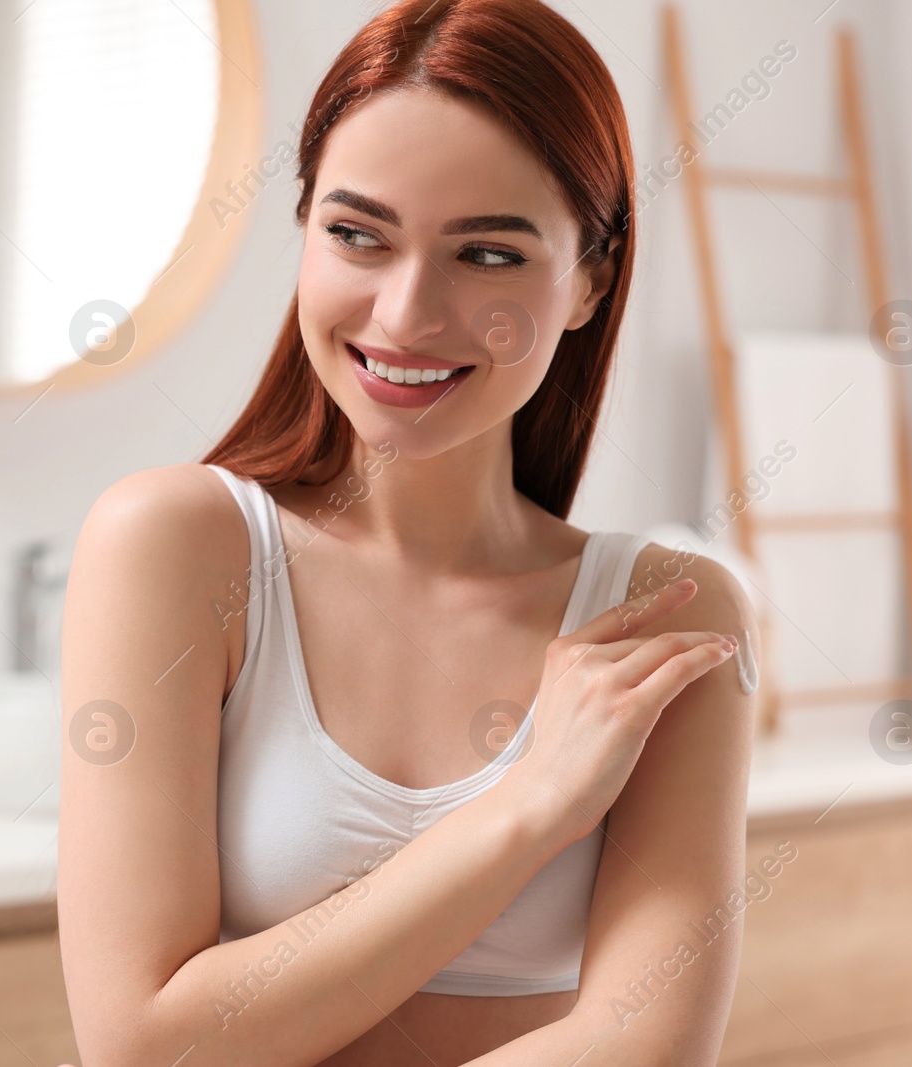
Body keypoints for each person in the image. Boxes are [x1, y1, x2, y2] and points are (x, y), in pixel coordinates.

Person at [57, 1, 760, 1063]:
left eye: (485, 254)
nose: (402, 313)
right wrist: (523, 807)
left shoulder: (664, 618)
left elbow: (648, 1047)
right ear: (303, 229)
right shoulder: (174, 545)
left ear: (588, 283)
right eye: (356, 234)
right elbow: (144, 1044)